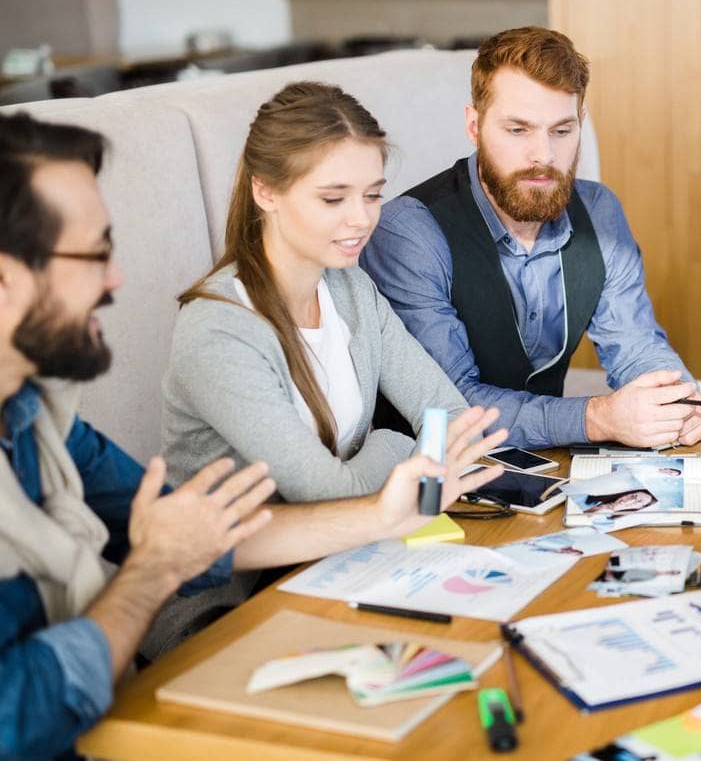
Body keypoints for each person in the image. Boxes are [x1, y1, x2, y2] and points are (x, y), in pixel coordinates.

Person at [0, 113, 505, 758]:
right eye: (96, 253)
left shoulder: (44, 421)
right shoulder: (218, 327)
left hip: (293, 582)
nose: (117, 279)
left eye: (372, 194)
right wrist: (153, 570)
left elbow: (210, 531)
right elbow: (21, 715)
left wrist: (382, 514)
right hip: (216, 626)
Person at [361, 26, 701, 451]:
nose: (543, 155)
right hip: (427, 475)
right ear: (474, 126)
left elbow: (635, 345)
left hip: (545, 463)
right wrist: (599, 418)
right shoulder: (410, 231)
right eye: (518, 130)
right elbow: (450, 404)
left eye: (561, 131)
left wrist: (676, 400)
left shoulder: (599, 211)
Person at [164, 81, 471, 502]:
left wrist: (421, 495)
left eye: (373, 195)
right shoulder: (218, 329)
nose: (362, 219)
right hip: (267, 565)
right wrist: (394, 444)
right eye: (333, 199)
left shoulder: (351, 289)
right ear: (265, 191)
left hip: (358, 543)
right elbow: (323, 495)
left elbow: (450, 415)